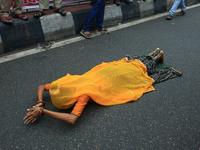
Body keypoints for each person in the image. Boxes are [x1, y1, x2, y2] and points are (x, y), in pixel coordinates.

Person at [24, 48, 182, 125]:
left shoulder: (82, 95)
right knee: (135, 66)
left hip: (111, 76)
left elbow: (72, 119)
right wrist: (40, 104)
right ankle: (153, 54)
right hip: (106, 75)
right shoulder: (64, 84)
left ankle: (156, 55)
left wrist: (42, 109)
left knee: (140, 70)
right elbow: (41, 87)